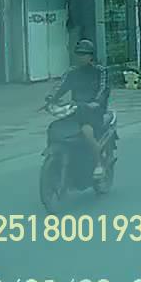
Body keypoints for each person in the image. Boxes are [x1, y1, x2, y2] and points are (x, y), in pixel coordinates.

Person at [44, 39, 109, 179]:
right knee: (54, 128)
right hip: (75, 109)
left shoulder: (100, 71)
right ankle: (55, 155)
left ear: (91, 56)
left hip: (93, 112)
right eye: (78, 54)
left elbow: (103, 90)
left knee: (86, 131)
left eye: (84, 54)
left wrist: (95, 102)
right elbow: (60, 86)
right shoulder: (72, 72)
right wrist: (51, 97)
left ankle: (98, 163)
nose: (81, 57)